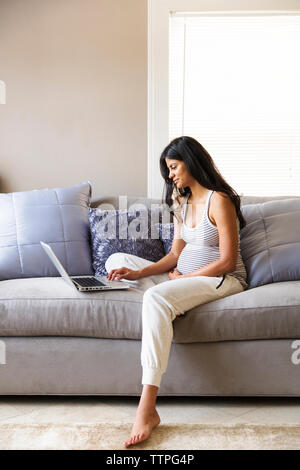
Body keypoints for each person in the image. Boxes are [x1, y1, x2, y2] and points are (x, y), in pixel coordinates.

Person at [105, 136, 248, 448]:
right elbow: (173, 256)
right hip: (182, 278)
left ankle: (147, 407)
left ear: (191, 162)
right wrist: (139, 272)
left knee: (155, 296)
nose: (170, 175)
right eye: (168, 170)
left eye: (173, 167)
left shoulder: (219, 200)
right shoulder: (182, 204)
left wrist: (182, 280)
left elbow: (226, 261)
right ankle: (171, 305)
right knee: (116, 260)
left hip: (222, 280)